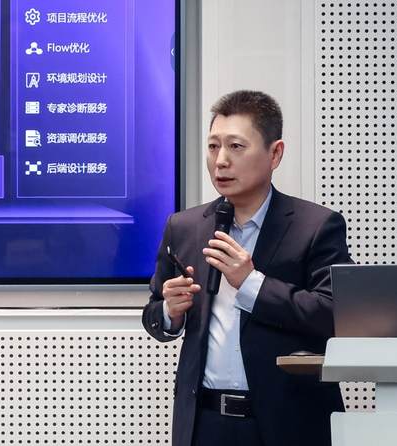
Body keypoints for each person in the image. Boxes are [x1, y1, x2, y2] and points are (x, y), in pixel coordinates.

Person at [142, 90, 353, 446]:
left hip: (287, 424)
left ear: (275, 153)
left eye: (236, 147)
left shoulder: (316, 226)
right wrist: (169, 312)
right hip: (204, 423)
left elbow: (336, 314)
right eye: (213, 147)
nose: (221, 160)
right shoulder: (184, 227)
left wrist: (252, 284)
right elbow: (154, 313)